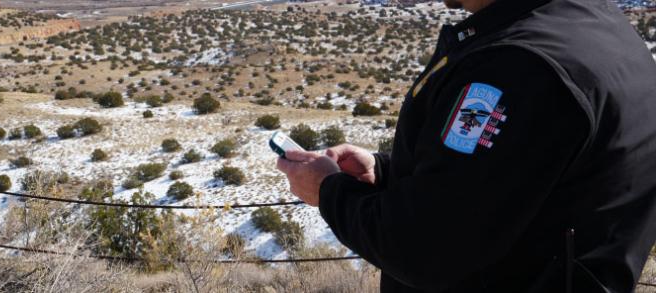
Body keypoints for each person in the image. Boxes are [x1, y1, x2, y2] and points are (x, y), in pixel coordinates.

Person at [275, 0, 656, 292]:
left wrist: (328, 190)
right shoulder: (589, 20)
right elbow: (516, 169)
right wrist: (388, 170)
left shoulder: (518, 67)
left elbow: (421, 249)